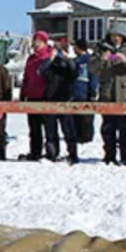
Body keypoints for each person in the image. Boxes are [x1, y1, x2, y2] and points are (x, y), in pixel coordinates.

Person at [92, 20, 126, 166]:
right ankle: (109, 156)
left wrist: (125, 60)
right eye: (114, 35)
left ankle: (125, 156)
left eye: (119, 35)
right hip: (107, 94)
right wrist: (101, 60)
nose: (116, 38)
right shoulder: (101, 48)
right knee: (108, 127)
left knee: (125, 128)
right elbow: (91, 68)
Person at [39, 34, 79, 164]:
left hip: (65, 99)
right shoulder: (49, 62)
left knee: (68, 130)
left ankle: (72, 154)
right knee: (50, 131)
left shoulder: (70, 63)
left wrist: (67, 59)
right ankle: (52, 154)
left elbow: (75, 72)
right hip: (50, 99)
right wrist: (51, 58)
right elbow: (41, 71)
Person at [19, 32, 51, 160]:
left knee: (49, 127)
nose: (36, 43)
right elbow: (26, 78)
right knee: (34, 127)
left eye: (39, 41)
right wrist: (23, 93)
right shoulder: (31, 59)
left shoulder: (49, 57)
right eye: (35, 41)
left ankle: (50, 152)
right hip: (32, 96)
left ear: (44, 42)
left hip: (46, 96)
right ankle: (35, 151)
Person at [71, 38, 99, 143]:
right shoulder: (74, 61)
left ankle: (86, 137)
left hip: (85, 92)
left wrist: (92, 92)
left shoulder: (89, 60)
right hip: (76, 93)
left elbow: (94, 76)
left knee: (86, 118)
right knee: (75, 117)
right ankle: (78, 135)